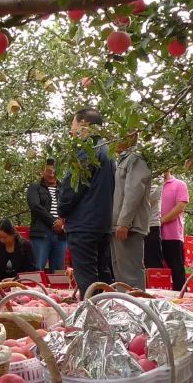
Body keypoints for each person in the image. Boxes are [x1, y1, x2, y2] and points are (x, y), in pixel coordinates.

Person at [58, 108, 115, 297]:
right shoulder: (108, 150)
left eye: (73, 124)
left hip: (84, 223)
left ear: (83, 124)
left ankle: (93, 321)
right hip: (102, 222)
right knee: (103, 275)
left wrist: (62, 210)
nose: (71, 130)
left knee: (87, 278)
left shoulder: (87, 150)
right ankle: (110, 317)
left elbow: (73, 185)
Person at [111, 131, 152, 289]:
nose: (115, 140)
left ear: (132, 136)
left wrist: (124, 222)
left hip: (129, 226)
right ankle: (124, 310)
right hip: (118, 225)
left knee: (131, 276)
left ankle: (136, 311)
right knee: (121, 277)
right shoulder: (123, 159)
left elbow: (134, 192)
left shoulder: (136, 158)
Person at [27, 158, 66, 272]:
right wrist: (54, 222)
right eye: (48, 172)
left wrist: (62, 224)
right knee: (37, 268)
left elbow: (71, 206)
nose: (51, 174)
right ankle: (36, 289)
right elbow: (35, 206)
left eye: (53, 172)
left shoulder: (64, 188)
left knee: (59, 271)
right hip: (41, 233)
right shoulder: (35, 187)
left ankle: (58, 290)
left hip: (61, 235)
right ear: (43, 172)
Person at [159, 168, 190, 291]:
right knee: (156, 271)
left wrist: (160, 221)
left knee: (177, 270)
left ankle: (182, 297)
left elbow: (180, 207)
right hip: (153, 234)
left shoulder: (179, 184)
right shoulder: (152, 185)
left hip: (173, 235)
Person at [144, 178, 164, 268]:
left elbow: (151, 198)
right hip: (138, 226)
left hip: (152, 225)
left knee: (154, 263)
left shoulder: (158, 179)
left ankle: (157, 282)